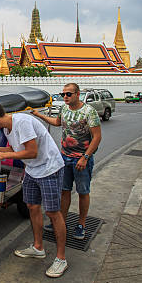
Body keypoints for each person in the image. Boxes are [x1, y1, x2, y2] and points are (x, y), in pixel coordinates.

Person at [0, 100, 68, 278]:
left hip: (49, 168)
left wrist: (4, 155)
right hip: (33, 170)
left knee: (52, 213)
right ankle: (38, 247)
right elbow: (15, 148)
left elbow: (31, 151)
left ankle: (61, 259)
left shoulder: (23, 122)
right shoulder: (6, 128)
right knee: (32, 207)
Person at [32, 83, 101, 241]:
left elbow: (97, 137)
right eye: (63, 94)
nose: (65, 97)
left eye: (68, 94)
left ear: (77, 94)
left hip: (82, 159)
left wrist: (85, 157)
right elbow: (57, 122)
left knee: (83, 192)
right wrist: (39, 115)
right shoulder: (64, 109)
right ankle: (61, 222)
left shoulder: (89, 111)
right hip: (65, 157)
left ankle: (81, 224)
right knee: (64, 190)